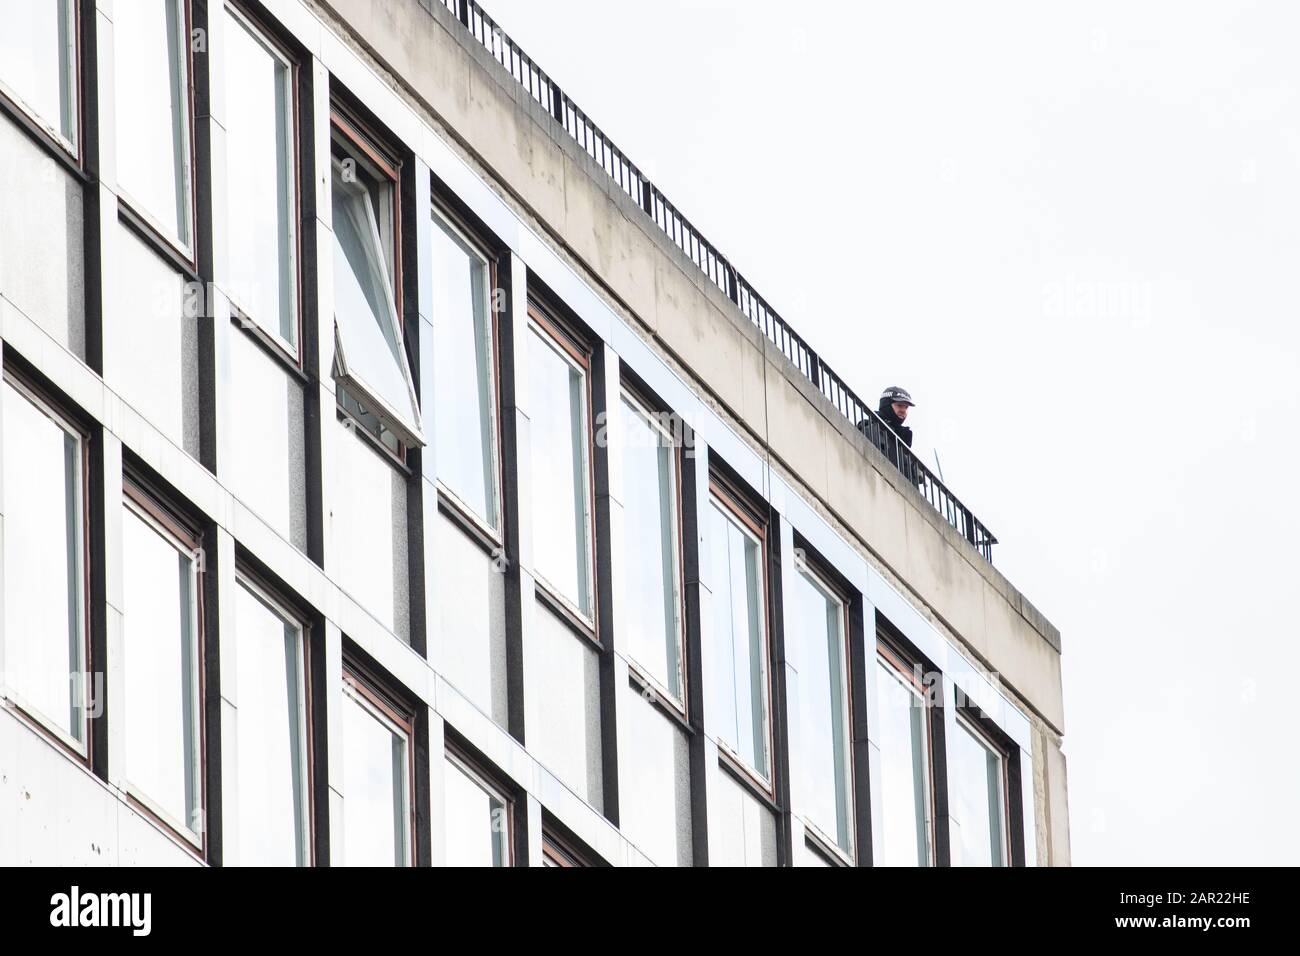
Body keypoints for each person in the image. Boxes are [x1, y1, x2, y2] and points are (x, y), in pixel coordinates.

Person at [857, 386, 920, 484]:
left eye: (906, 407)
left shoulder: (903, 443)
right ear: (886, 405)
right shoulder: (871, 428)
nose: (903, 410)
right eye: (899, 405)